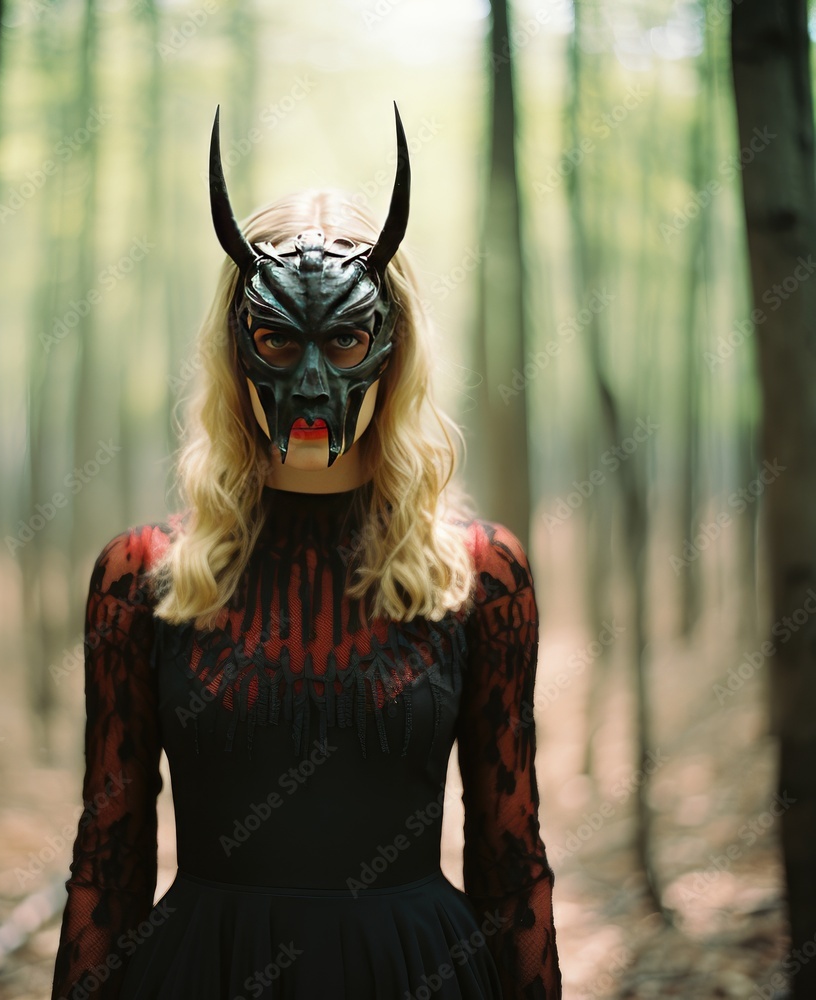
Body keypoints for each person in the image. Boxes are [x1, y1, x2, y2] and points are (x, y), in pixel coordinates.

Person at [50, 105, 562, 1000]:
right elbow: (108, 868)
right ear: (235, 344)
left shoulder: (481, 576)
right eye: (280, 337)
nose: (313, 380)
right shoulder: (141, 580)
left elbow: (511, 867)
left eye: (347, 339)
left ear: (389, 344)